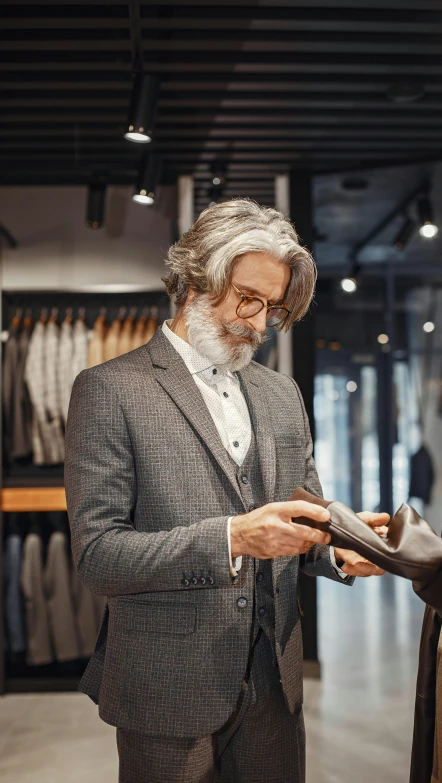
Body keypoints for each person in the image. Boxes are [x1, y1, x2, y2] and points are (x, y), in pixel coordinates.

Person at [65, 199, 388, 783]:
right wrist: (233, 537)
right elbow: (99, 556)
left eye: (273, 308)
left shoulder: (281, 394)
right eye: (248, 299)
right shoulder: (109, 390)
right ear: (195, 279)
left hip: (274, 682)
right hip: (167, 686)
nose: (260, 324)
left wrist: (338, 548)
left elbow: (302, 518)